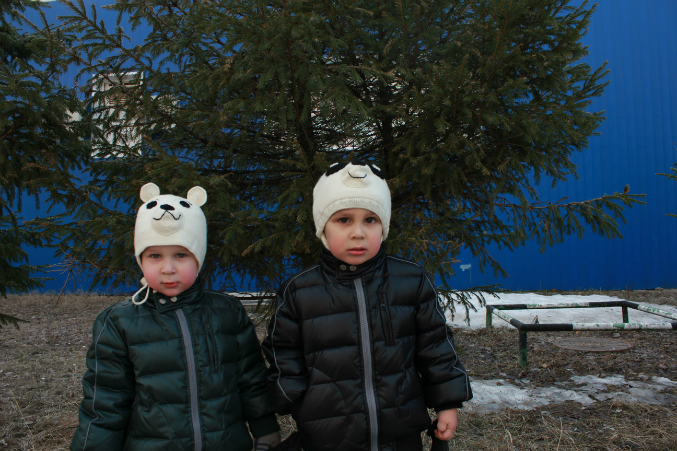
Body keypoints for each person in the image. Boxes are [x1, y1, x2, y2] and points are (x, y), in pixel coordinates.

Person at [262, 162, 472, 451]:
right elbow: (282, 352)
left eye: (370, 219)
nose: (358, 232)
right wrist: (301, 404)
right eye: (343, 220)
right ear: (323, 227)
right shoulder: (299, 290)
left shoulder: (410, 280)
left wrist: (447, 403)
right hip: (328, 435)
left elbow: (436, 347)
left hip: (400, 433)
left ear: (383, 226)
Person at [71, 182, 281, 451]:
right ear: (140, 259)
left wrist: (266, 430)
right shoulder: (119, 322)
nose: (168, 268)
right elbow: (105, 401)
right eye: (155, 255)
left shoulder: (227, 312)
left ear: (198, 257)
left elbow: (251, 380)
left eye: (181, 254)